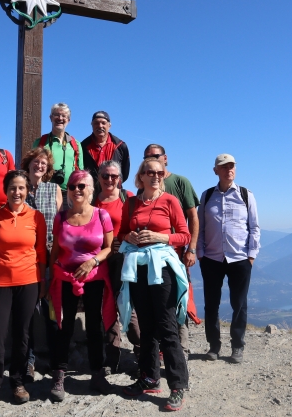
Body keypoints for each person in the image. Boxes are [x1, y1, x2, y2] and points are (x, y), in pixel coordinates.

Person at [118, 158, 190, 412]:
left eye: (159, 172)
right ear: (141, 177)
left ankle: (178, 385)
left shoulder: (170, 201)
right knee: (147, 326)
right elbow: (122, 233)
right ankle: (149, 377)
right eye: (150, 172)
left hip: (162, 269)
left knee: (167, 326)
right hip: (138, 267)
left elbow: (184, 235)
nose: (156, 176)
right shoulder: (131, 203)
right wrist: (128, 235)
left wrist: (161, 236)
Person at [0, 170, 48, 410]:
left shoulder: (36, 217)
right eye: (12, 188)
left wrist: (41, 283)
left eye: (21, 188)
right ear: (5, 190)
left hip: (28, 281)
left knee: (23, 335)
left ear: (27, 190)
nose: (16, 192)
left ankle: (18, 383)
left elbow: (41, 253)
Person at [47, 170, 115, 401]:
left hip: (94, 277)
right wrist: (51, 274)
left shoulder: (101, 215)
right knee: (63, 326)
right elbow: (55, 250)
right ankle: (59, 374)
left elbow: (108, 247)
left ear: (90, 189)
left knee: (95, 326)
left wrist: (92, 261)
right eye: (73, 186)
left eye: (82, 186)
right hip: (65, 277)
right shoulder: (61, 218)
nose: (77, 190)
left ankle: (97, 373)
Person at [196, 154, 260, 365]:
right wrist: (201, 254)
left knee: (239, 304)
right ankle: (214, 347)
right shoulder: (206, 197)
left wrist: (251, 255)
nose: (228, 170)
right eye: (224, 167)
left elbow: (254, 227)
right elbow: (200, 228)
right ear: (216, 170)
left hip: (240, 258)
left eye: (231, 166)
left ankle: (237, 347)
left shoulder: (246, 195)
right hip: (212, 259)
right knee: (211, 305)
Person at [139, 144, 202, 356]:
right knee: (158, 304)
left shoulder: (180, 182)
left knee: (178, 300)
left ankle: (179, 350)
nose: (152, 160)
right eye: (148, 157)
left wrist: (191, 249)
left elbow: (193, 217)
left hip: (176, 252)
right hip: (152, 258)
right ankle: (160, 351)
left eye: (156, 156)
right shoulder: (145, 186)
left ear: (165, 158)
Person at [20, 146, 63, 382]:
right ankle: (29, 360)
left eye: (44, 163)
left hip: (49, 253)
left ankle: (56, 361)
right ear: (28, 163)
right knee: (28, 310)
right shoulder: (19, 188)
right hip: (25, 255)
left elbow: (58, 223)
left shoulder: (54, 189)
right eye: (36, 161)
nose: (40, 165)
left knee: (50, 309)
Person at [94, 160, 140, 372]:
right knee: (108, 304)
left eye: (114, 176)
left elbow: (138, 225)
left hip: (124, 259)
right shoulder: (93, 200)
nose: (110, 180)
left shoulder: (128, 198)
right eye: (105, 176)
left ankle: (141, 349)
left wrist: (125, 238)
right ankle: (112, 356)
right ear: (99, 177)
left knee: (127, 303)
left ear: (120, 178)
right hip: (101, 259)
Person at [32, 103, 84, 193]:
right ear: (50, 118)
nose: (60, 118)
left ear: (68, 120)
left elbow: (81, 173)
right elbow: (30, 168)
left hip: (70, 193)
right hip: (45, 192)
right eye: (56, 115)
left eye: (64, 116)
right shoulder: (40, 142)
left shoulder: (76, 144)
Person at [81, 111, 130, 185]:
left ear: (109, 126)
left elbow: (125, 172)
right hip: (91, 191)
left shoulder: (120, 146)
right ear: (92, 125)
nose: (100, 126)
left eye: (103, 123)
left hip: (114, 190)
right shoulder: (83, 146)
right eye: (96, 123)